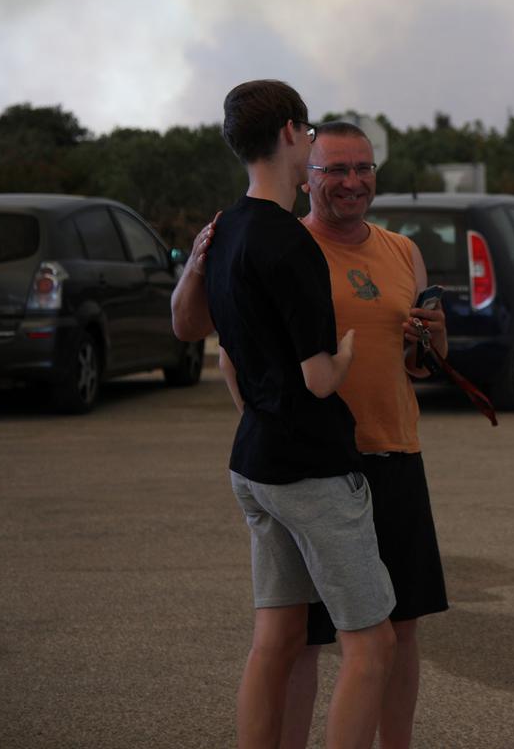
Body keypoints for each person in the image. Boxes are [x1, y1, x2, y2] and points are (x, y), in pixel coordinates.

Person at [174, 120, 452, 749]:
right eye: (334, 171)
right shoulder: (284, 247)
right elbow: (226, 356)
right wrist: (275, 421)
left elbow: (416, 365)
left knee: (401, 628)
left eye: (363, 168)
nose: (352, 183)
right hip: (320, 465)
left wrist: (432, 338)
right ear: (307, 176)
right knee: (305, 638)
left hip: (395, 453)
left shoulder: (402, 251)